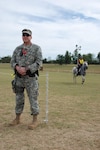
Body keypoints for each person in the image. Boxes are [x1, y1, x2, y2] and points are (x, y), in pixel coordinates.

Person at [10, 29, 42, 130]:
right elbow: (12, 61)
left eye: (27, 35)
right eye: (23, 35)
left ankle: (35, 120)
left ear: (31, 37)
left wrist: (26, 69)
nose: (25, 37)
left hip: (31, 78)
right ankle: (17, 118)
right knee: (19, 99)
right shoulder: (17, 49)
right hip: (19, 78)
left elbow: (39, 62)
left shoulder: (36, 48)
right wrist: (17, 67)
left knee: (33, 99)